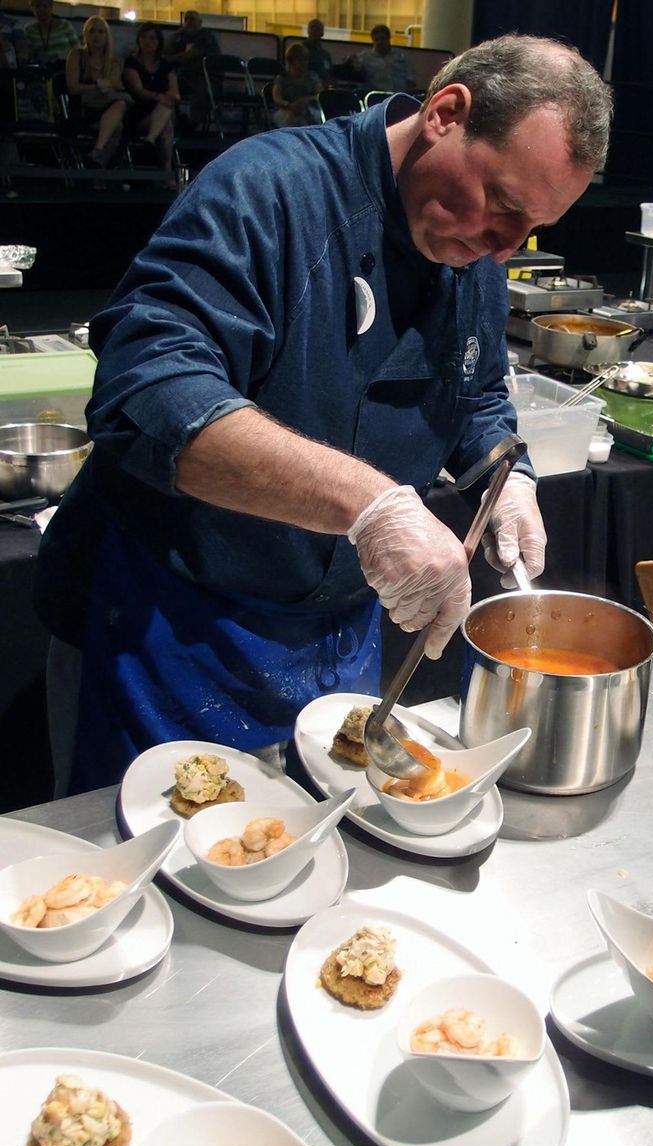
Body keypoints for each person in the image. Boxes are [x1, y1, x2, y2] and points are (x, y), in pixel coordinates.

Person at [35, 34, 612, 794]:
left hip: (337, 639)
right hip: (174, 627)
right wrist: (367, 505)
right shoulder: (268, 192)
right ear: (446, 112)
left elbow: (474, 391)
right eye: (502, 205)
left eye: (529, 228)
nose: (505, 249)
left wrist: (509, 475)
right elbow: (146, 392)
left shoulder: (472, 253)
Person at [65, 17, 129, 169]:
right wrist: (95, 86)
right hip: (84, 107)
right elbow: (72, 87)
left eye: (101, 32)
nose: (96, 36)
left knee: (119, 109)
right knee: (117, 124)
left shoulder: (114, 61)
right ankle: (99, 167)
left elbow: (116, 85)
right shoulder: (76, 55)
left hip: (108, 104)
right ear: (85, 34)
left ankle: (97, 154)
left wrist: (107, 86)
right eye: (92, 31)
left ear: (107, 36)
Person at [123, 22, 179, 187]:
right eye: (144, 37)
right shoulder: (132, 63)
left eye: (152, 38)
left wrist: (166, 97)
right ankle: (167, 173)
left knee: (167, 111)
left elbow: (175, 93)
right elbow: (138, 90)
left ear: (159, 42)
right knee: (166, 125)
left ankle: (150, 140)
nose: (148, 42)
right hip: (140, 113)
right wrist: (159, 97)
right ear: (138, 40)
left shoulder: (166, 65)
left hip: (164, 110)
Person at [164, 9, 218, 132]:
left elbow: (188, 55)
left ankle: (191, 126)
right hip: (186, 78)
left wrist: (166, 59)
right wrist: (178, 32)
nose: (189, 22)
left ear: (200, 22)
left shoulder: (205, 35)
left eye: (192, 19)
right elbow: (166, 50)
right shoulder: (184, 38)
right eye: (186, 20)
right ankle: (174, 121)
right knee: (166, 87)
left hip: (206, 79)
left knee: (200, 92)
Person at [271, 42, 321, 127]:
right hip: (286, 109)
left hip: (309, 109)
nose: (304, 63)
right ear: (291, 61)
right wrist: (290, 105)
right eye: (300, 59)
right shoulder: (282, 78)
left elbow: (319, 95)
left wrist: (305, 101)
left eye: (305, 59)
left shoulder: (313, 77)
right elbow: (277, 98)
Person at [355, 23, 415, 94]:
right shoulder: (364, 58)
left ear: (389, 38)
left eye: (383, 39)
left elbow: (411, 79)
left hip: (398, 97)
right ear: (373, 40)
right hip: (375, 98)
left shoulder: (401, 55)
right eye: (377, 39)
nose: (380, 42)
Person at [22, 0, 77, 69]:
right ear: (32, 8)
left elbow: (77, 48)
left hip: (65, 67)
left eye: (45, 6)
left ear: (51, 7)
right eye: (37, 6)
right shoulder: (29, 29)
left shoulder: (65, 25)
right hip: (41, 69)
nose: (41, 9)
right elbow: (28, 54)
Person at [300, 18, 332, 85]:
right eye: (312, 28)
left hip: (325, 87)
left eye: (318, 28)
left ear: (322, 33)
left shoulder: (326, 55)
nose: (314, 30)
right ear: (308, 31)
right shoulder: (300, 50)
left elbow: (330, 73)